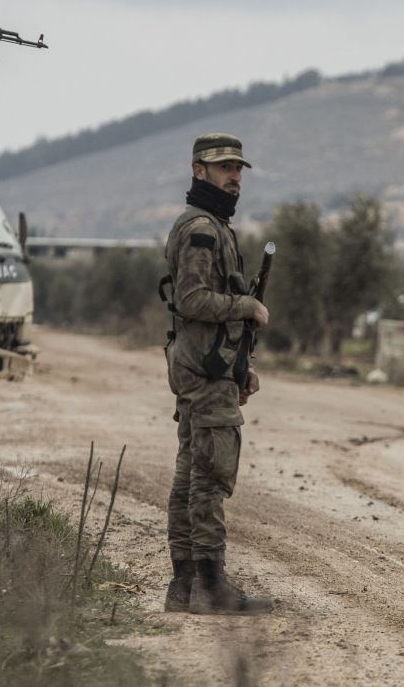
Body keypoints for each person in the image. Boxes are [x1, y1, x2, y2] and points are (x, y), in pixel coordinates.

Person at [160, 133, 274, 615]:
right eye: (223, 166)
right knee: (210, 476)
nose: (233, 176)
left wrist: (238, 368)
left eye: (238, 168)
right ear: (197, 169)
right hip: (202, 371)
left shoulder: (213, 225)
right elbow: (190, 301)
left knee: (192, 474)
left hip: (209, 367)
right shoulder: (203, 229)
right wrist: (247, 304)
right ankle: (210, 588)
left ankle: (185, 588)